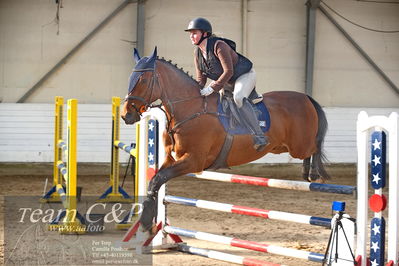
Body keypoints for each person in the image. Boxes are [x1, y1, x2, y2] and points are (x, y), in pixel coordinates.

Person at [185, 17, 268, 151]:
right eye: (190, 33)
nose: (191, 36)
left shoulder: (219, 46)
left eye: (194, 33)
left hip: (243, 75)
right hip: (226, 81)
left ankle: (260, 136)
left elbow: (228, 71)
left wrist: (212, 87)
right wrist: (193, 91)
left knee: (238, 98)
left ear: (205, 34)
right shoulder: (197, 53)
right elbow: (201, 79)